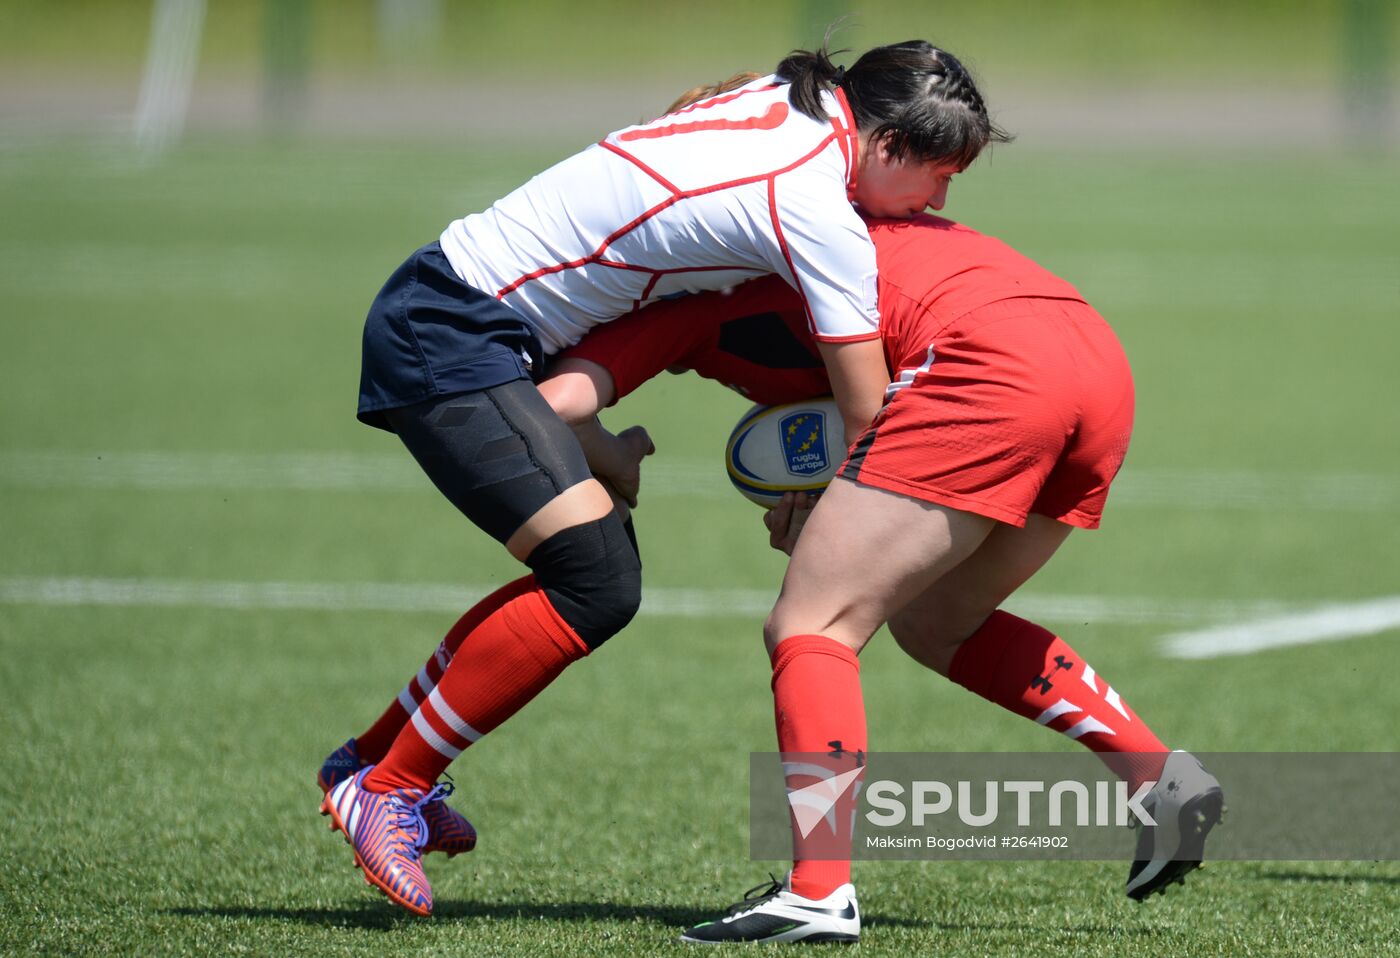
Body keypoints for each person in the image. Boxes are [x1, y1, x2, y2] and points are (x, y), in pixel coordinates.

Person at [316, 39, 1007, 917]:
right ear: (886, 147)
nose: (940, 201)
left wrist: (594, 432)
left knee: (587, 568)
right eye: (940, 176)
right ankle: (390, 787)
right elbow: (869, 415)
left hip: (474, 320)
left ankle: (369, 766)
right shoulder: (809, 205)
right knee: (595, 581)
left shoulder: (790, 104)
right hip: (451, 333)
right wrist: (847, 522)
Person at [543, 213, 1225, 944]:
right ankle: (1159, 777)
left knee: (813, 621)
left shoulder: (692, 280)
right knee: (938, 623)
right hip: (1086, 355)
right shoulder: (821, 214)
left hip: (985, 366)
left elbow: (560, 404)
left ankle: (818, 893)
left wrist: (607, 450)